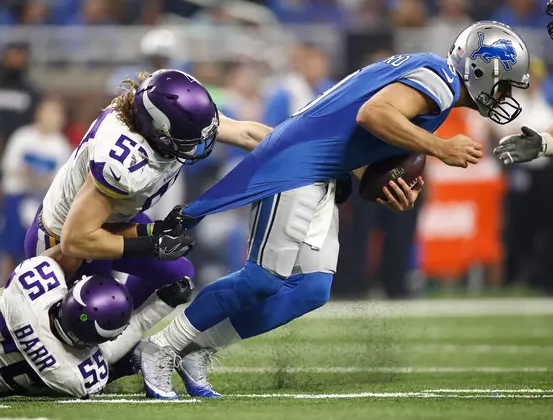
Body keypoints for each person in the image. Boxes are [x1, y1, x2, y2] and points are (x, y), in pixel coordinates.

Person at [135, 21, 529, 399]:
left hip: (323, 169)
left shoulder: (429, 73)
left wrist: (384, 182)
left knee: (310, 289)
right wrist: (440, 147)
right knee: (262, 278)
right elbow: (373, 115)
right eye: (505, 82)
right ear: (481, 70)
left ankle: (197, 349)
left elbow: (354, 131)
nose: (506, 94)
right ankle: (162, 347)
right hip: (298, 164)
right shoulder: (439, 80)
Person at [24, 69, 270, 325]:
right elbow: (75, 240)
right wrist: (151, 245)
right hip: (63, 242)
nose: (197, 143)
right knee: (97, 319)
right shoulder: (122, 164)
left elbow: (244, 134)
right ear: (159, 133)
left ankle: (118, 340)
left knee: (177, 275)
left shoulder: (160, 108)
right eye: (187, 139)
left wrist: (302, 147)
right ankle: (110, 340)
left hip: (110, 223)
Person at [0, 251, 192, 403]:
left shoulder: (27, 289)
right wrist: (161, 305)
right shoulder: (72, 375)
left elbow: (67, 248)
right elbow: (108, 355)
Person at [0, 98, 71, 284]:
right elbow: (7, 167)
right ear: (39, 114)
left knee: (39, 252)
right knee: (9, 248)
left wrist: (43, 179)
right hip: (17, 198)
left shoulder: (61, 144)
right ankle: (1, 289)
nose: (57, 118)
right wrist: (28, 174)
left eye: (59, 114)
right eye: (52, 112)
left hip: (43, 204)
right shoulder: (22, 137)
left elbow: (63, 181)